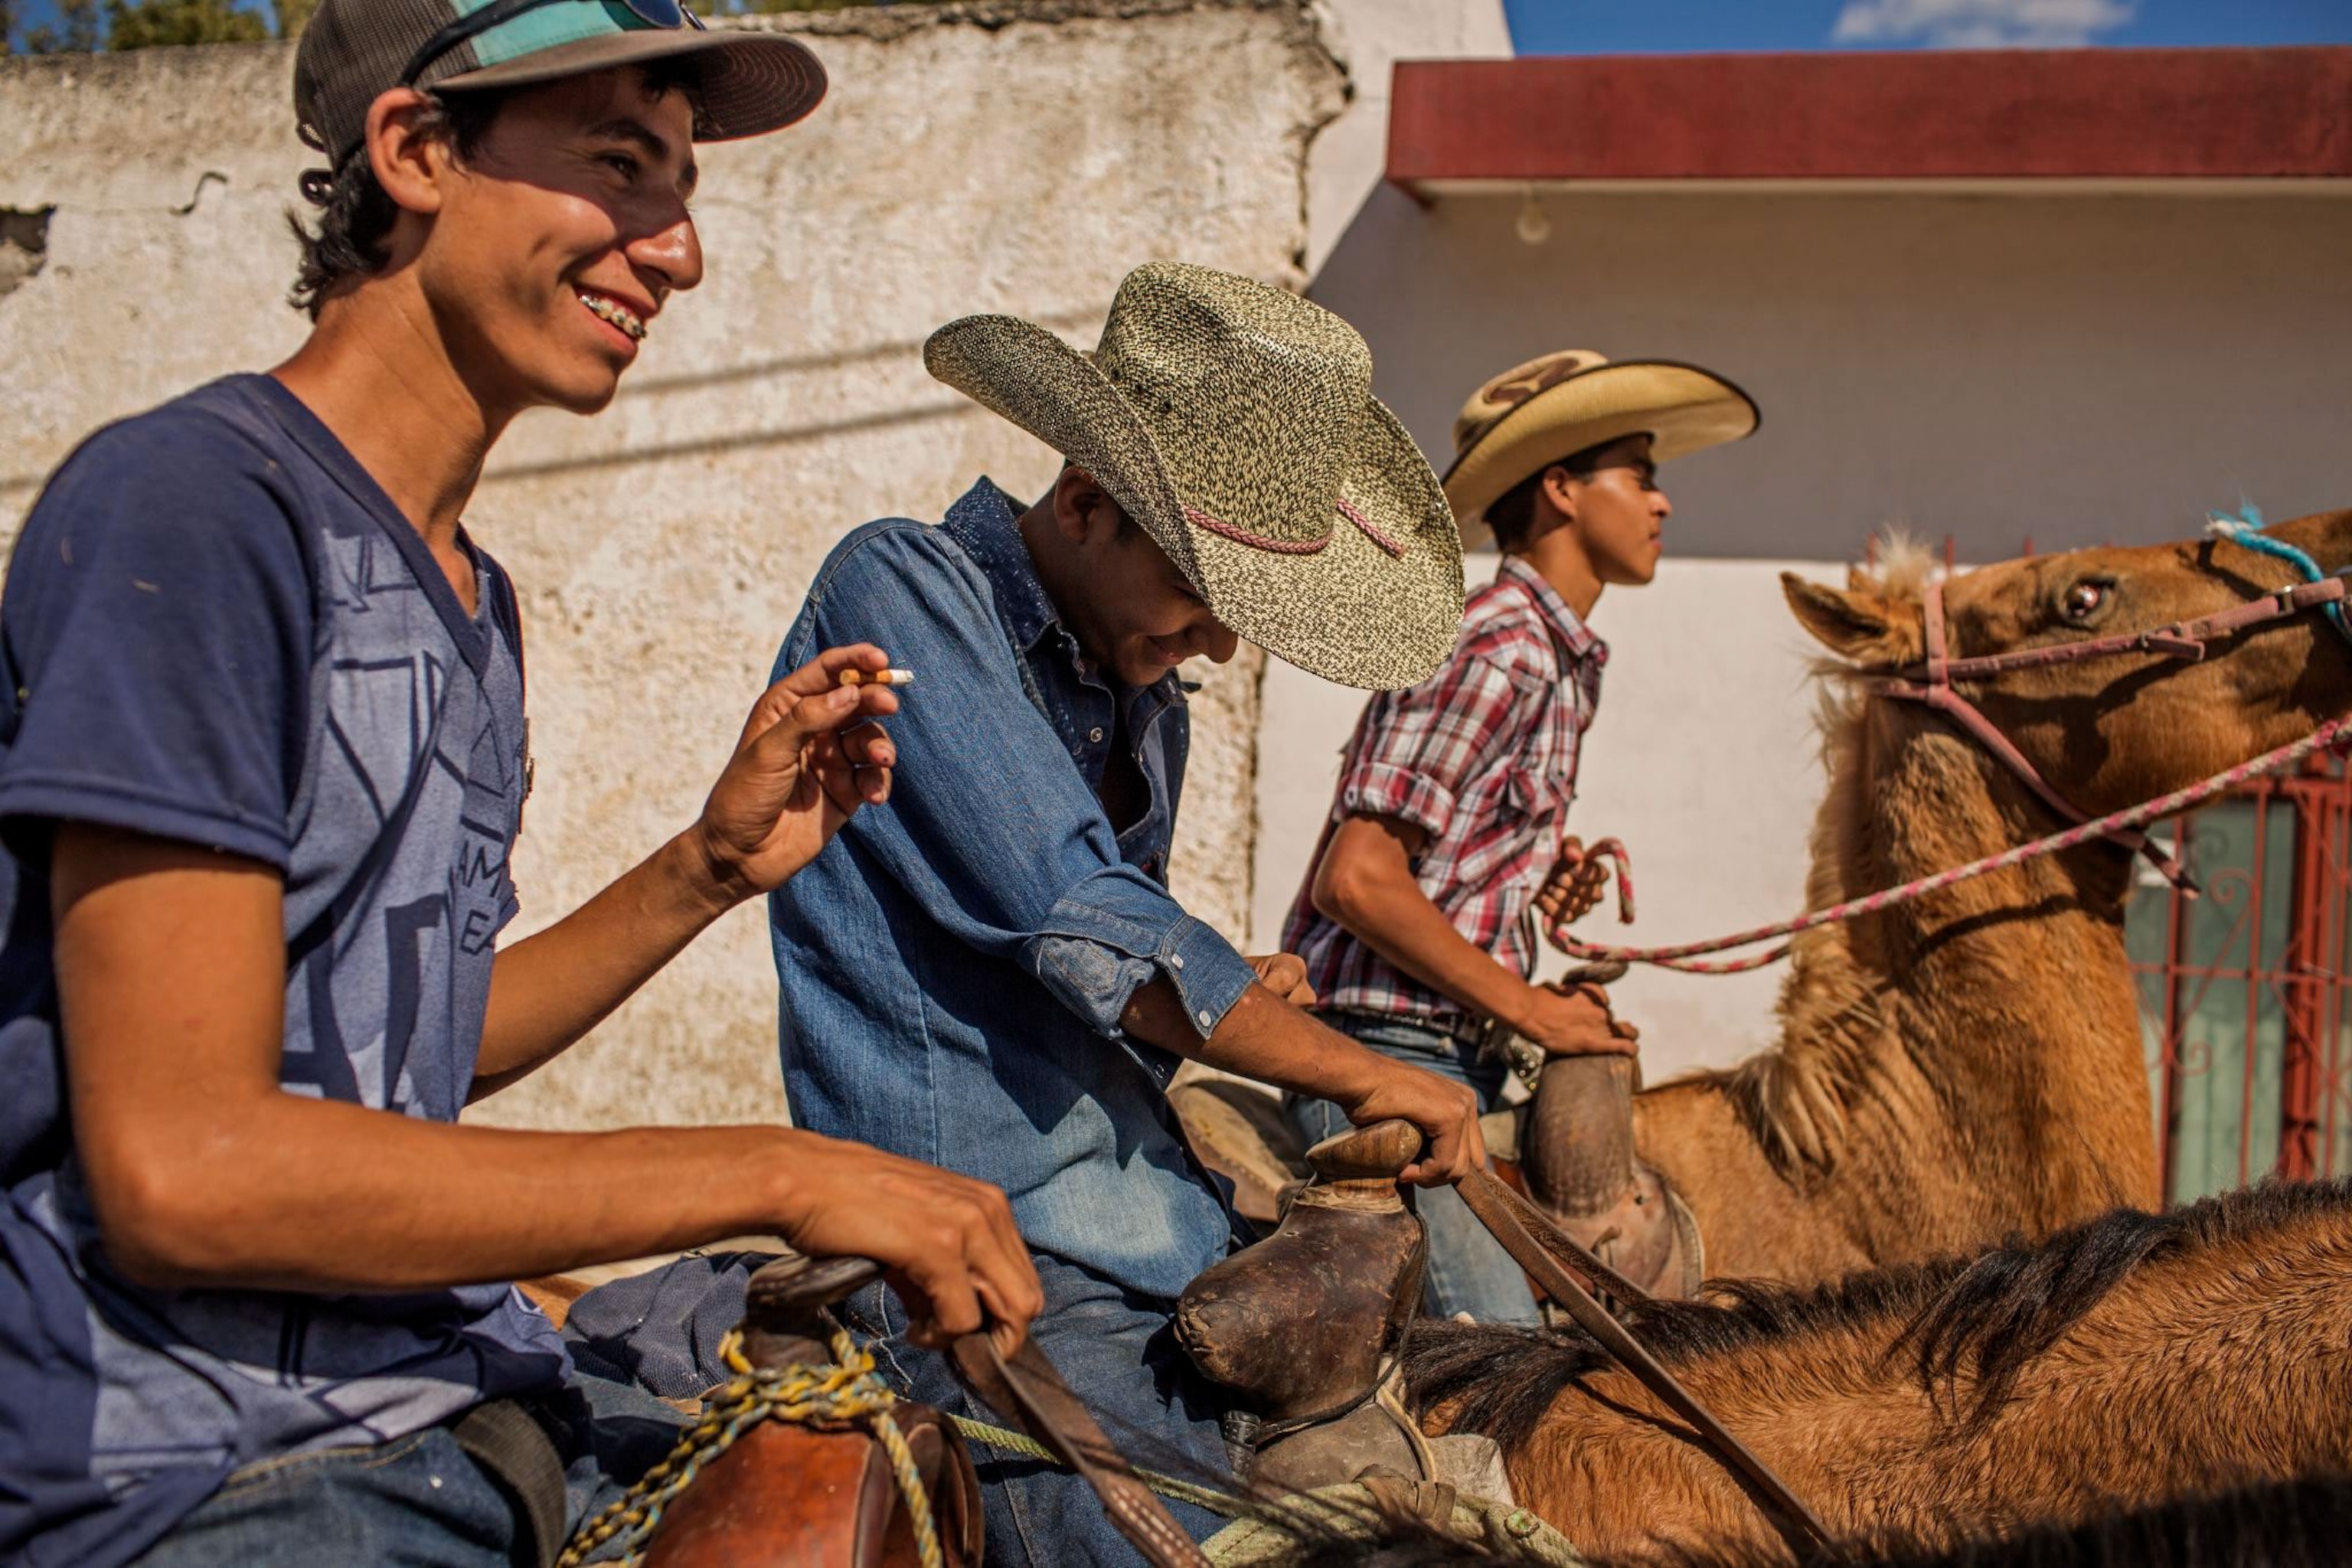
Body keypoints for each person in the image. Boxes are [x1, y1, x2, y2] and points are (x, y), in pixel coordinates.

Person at [0, 5, 1042, 1564]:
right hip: (194, 1459)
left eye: (681, 188)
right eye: (621, 165)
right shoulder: (203, 509)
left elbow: (409, 1053)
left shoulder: (472, 606)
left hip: (435, 1388)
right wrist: (773, 1171)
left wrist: (707, 865)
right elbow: (188, 1165)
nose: (676, 250)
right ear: (415, 154)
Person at [765, 262, 1489, 1563]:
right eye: (1203, 596)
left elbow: (1099, 980)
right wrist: (1365, 1070)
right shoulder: (899, 589)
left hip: (1148, 1214)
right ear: (1088, 501)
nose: (1215, 644)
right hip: (980, 1255)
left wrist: (1237, 993)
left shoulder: (1140, 697)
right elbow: (1078, 917)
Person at [1278, 349, 1760, 1325]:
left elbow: (1429, 859)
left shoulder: (1553, 653)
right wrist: (1537, 1012)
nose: (1662, 504)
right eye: (1641, 474)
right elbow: (1359, 881)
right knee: (1509, 1349)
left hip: (1448, 1045)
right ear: (1562, 488)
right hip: (1381, 1047)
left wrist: (1532, 870)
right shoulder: (1499, 643)